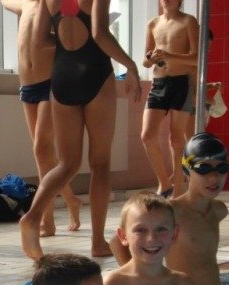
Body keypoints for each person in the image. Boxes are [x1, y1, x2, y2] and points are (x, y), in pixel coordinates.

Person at [19, 0, 141, 261]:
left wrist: (66, 41)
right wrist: (130, 65)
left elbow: (39, 40)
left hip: (62, 75)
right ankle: (97, 242)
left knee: (67, 164)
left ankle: (32, 217)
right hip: (95, 72)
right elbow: (99, 33)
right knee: (100, 163)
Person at [0, 0, 83, 236]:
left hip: (51, 82)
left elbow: (76, 36)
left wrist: (51, 39)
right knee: (44, 156)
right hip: (28, 86)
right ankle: (71, 199)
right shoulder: (25, 4)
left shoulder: (58, 3)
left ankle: (47, 219)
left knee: (41, 149)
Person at [109, 133, 229, 285]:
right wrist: (139, 281)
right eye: (204, 168)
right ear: (186, 170)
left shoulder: (219, 210)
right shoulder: (172, 210)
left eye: (222, 168)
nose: (214, 177)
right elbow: (116, 243)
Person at [140, 0, 199, 198]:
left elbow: (197, 58)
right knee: (147, 136)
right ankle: (164, 183)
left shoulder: (188, 21)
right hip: (159, 83)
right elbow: (145, 62)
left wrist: (170, 56)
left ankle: (179, 185)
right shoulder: (153, 24)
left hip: (181, 82)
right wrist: (152, 58)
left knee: (176, 137)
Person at [103, 194, 195, 285]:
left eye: (161, 229)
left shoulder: (183, 284)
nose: (151, 239)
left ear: (174, 235)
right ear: (123, 236)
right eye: (141, 230)